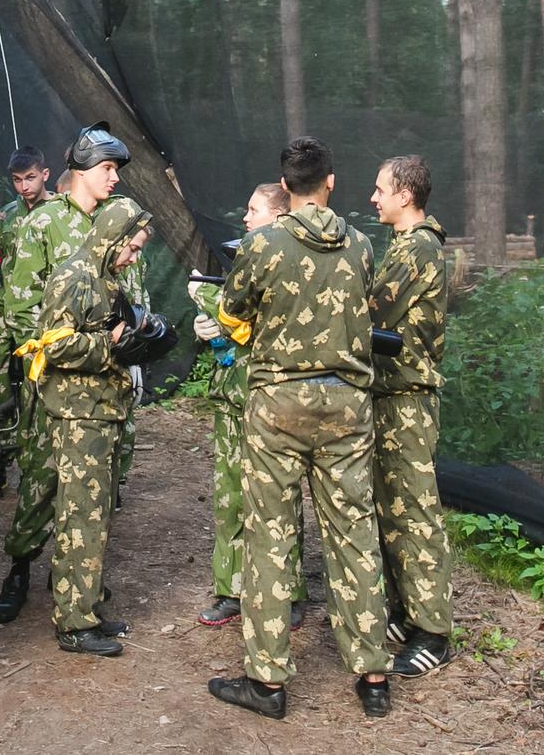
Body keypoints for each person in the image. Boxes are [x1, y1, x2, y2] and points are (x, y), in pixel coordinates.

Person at [209, 137, 391, 721]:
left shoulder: (262, 245)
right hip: (346, 406)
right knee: (355, 533)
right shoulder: (362, 244)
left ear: (285, 188)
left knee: (269, 534)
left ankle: (267, 682)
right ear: (331, 182)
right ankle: (372, 673)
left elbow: (230, 316)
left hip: (277, 407)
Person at [0, 122, 127, 625]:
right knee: (43, 481)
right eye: (108, 169)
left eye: (115, 170)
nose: (115, 179)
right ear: (83, 171)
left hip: (106, 383)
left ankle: (76, 580)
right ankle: (20, 566)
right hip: (53, 383)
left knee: (95, 489)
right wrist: (54, 360)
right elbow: (20, 308)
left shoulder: (114, 223)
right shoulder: (45, 224)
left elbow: (127, 294)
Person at [26, 195, 154, 656]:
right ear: (112, 238)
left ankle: (88, 605)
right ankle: (74, 623)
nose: (133, 257)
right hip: (79, 414)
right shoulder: (73, 276)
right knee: (79, 515)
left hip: (101, 409)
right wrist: (112, 343)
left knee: (96, 515)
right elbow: (54, 347)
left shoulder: (103, 276)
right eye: (132, 248)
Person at [192, 183, 306, 629]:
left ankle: (289, 592)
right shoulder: (243, 255)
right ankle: (232, 589)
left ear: (278, 216)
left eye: (253, 209)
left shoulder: (295, 262)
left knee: (281, 496)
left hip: (273, 397)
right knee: (231, 496)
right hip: (233, 395)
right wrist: (214, 331)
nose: (245, 217)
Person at [368, 154, 453, 678]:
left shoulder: (416, 248)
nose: (373, 198)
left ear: (405, 195)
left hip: (407, 398)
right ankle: (406, 611)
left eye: (380, 190)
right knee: (392, 508)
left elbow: (371, 311)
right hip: (392, 395)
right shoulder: (407, 245)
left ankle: (435, 632)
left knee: (415, 513)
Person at [0, 147, 54, 496]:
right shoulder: (6, 217)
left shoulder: (60, 216)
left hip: (42, 311)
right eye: (17, 180)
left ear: (45, 175)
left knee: (44, 384)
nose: (24, 187)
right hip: (2, 304)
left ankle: (43, 466)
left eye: (30, 178)